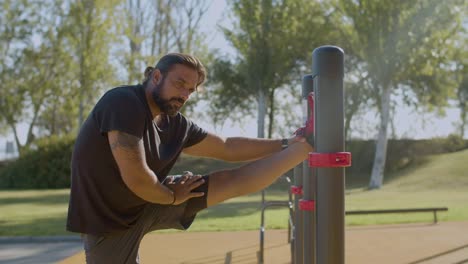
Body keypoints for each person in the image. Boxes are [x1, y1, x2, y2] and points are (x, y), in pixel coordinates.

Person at [66, 53, 314, 263]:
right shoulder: (123, 102)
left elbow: (227, 147)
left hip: (150, 199)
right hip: (110, 220)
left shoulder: (175, 124)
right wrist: (172, 196)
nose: (184, 94)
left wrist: (286, 143)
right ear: (155, 77)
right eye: (179, 83)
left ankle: (303, 149)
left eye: (190, 90)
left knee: (228, 182)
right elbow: (137, 178)